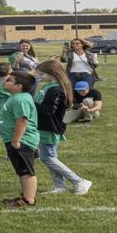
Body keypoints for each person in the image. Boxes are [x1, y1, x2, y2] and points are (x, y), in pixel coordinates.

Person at [32, 60, 91, 196]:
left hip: (50, 127)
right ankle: (59, 186)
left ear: (52, 74)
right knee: (51, 157)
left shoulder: (55, 89)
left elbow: (48, 110)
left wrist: (30, 101)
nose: (39, 76)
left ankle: (79, 181)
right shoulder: (49, 86)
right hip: (43, 126)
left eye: (41, 74)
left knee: (48, 158)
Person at [0, 70, 40, 208]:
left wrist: (16, 140)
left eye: (9, 80)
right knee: (22, 170)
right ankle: (25, 196)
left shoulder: (20, 99)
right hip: (17, 140)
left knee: (26, 171)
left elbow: (22, 120)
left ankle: (28, 200)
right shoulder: (16, 97)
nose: (5, 81)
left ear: (18, 86)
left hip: (22, 141)